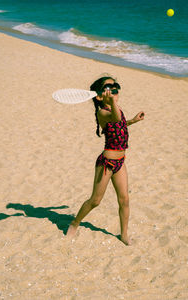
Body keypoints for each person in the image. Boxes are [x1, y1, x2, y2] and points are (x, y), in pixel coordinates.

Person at [66, 76, 145, 245]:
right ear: (99, 96)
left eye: (115, 86)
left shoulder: (116, 108)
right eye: (108, 87)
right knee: (95, 201)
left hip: (120, 162)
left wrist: (133, 120)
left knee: (124, 199)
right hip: (107, 163)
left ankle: (124, 234)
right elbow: (115, 119)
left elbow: (120, 124)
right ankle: (75, 223)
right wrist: (111, 102)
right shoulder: (102, 112)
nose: (113, 89)